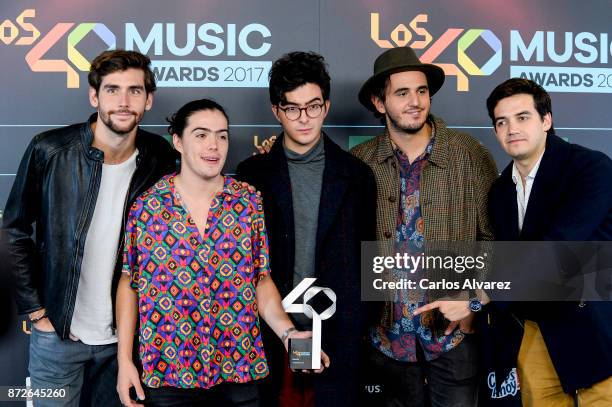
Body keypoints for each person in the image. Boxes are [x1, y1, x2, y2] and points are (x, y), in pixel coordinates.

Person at [117, 99, 329, 407]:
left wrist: (288, 335)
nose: (214, 145)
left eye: (222, 135)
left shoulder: (248, 202)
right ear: (178, 141)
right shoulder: (148, 206)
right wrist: (125, 361)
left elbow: (261, 279)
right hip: (167, 372)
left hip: (239, 370)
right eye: (201, 135)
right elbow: (129, 282)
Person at [1, 49, 177, 406]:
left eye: (135, 91)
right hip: (58, 337)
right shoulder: (49, 150)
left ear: (149, 99)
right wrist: (37, 311)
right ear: (94, 96)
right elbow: (13, 231)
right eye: (112, 90)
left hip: (127, 342)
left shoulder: (160, 157)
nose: (124, 102)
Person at [351, 46, 498, 407]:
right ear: (379, 101)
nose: (415, 101)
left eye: (421, 91)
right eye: (402, 93)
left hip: (452, 338)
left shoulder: (468, 154)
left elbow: (495, 240)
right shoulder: (360, 162)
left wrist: (473, 305)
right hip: (385, 341)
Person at [235, 51, 377, 407]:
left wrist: (359, 326)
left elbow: (367, 254)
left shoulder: (357, 176)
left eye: (312, 106)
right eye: (292, 108)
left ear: (326, 107)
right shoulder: (252, 175)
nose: (303, 118)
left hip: (337, 331)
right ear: (276, 111)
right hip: (270, 329)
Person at [486, 78, 612, 406]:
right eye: (502, 121)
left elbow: (560, 247)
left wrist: (480, 296)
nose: (512, 128)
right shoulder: (499, 192)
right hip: (538, 328)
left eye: (523, 117)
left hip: (597, 327)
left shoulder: (590, 168)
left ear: (546, 120)